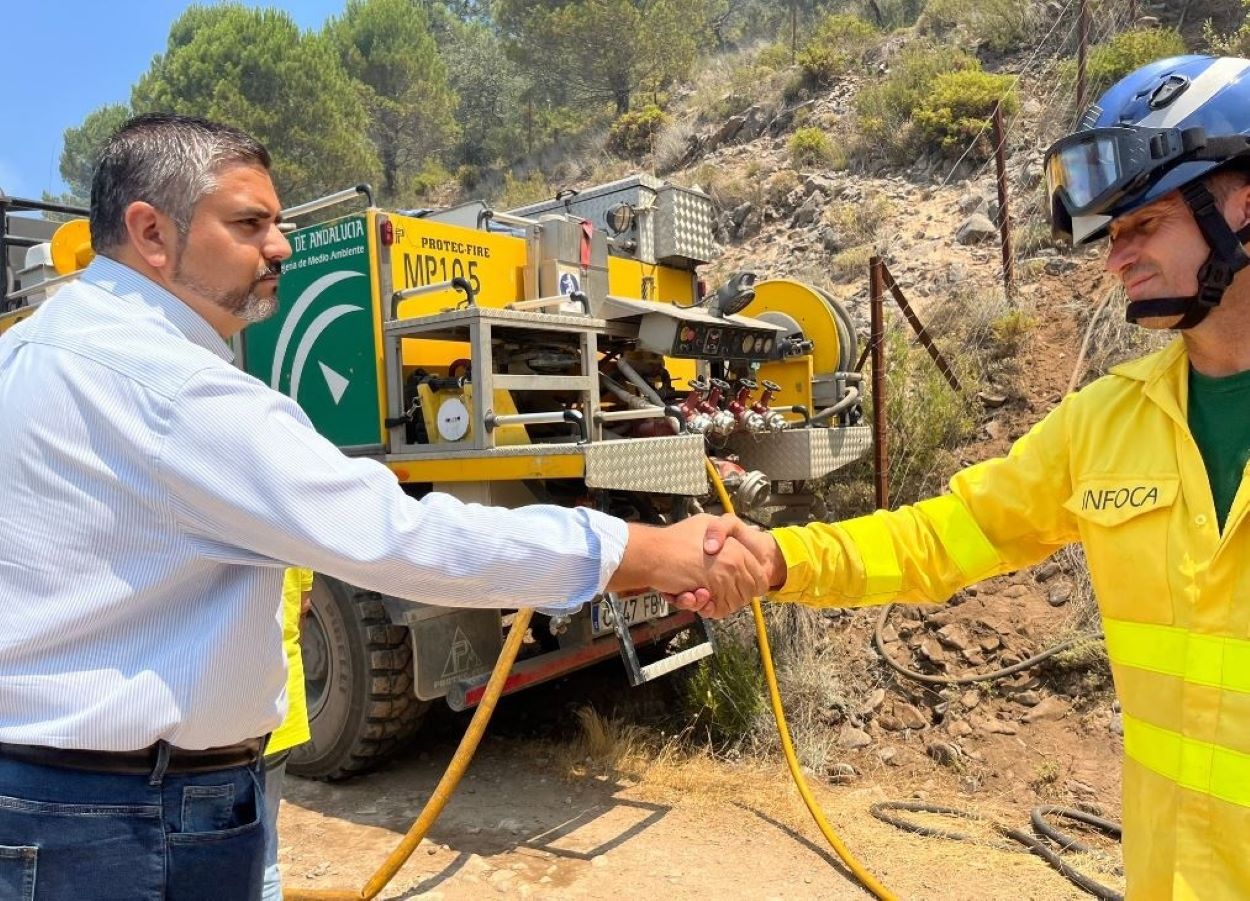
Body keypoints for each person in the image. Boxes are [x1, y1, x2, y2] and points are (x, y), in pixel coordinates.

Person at [0, 112, 766, 900]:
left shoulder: (24, 355)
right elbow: (401, 538)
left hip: (48, 804)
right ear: (151, 232)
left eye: (282, 222)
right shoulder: (173, 389)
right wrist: (647, 553)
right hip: (124, 825)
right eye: (250, 223)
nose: (282, 245)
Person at [705, 55, 1250, 898]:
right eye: (1111, 235)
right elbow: (943, 537)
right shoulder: (1107, 424)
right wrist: (780, 561)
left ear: (1243, 204)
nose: (1117, 260)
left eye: (1143, 223)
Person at [261, 569, 313, 901]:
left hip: (226, 721)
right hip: (281, 707)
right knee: (264, 857)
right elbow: (302, 606)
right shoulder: (290, 522)